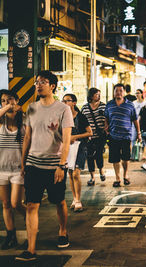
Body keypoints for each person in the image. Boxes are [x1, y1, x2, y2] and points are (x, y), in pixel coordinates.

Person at [17, 70, 73, 261]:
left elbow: (66, 141)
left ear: (53, 86)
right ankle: (31, 249)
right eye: (37, 82)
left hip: (54, 165)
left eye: (43, 82)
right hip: (33, 163)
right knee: (32, 204)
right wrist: (23, 163)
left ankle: (63, 231)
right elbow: (27, 137)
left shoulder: (63, 109)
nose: (39, 85)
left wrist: (61, 165)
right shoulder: (31, 108)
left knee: (59, 201)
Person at [0, 90, 26, 250]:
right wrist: (8, 106)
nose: (8, 104)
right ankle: (11, 235)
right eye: (3, 101)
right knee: (6, 204)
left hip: (18, 170)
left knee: (16, 203)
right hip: (1, 170)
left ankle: (30, 219)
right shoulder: (1, 124)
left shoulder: (23, 123)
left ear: (17, 101)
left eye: (10, 100)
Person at [105, 84, 141, 187]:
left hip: (126, 136)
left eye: (121, 91)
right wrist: (106, 128)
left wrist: (138, 133)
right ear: (114, 92)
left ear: (124, 92)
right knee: (115, 159)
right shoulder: (109, 104)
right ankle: (117, 178)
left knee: (125, 159)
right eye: (116, 91)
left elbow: (135, 120)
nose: (118, 93)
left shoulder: (130, 105)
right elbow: (106, 118)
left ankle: (125, 175)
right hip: (113, 136)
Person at [62, 94, 93, 212]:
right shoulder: (63, 117)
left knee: (76, 173)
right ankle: (74, 199)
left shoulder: (81, 117)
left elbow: (90, 133)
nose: (65, 103)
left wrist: (75, 136)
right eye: (63, 101)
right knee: (70, 173)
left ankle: (78, 200)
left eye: (67, 101)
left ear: (74, 103)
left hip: (80, 147)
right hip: (68, 148)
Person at [81, 88, 107, 186]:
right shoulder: (85, 108)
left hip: (100, 136)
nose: (99, 96)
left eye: (99, 94)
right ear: (91, 96)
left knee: (99, 154)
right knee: (90, 156)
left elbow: (107, 119)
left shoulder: (104, 106)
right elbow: (82, 122)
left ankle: (101, 171)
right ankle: (92, 177)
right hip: (89, 136)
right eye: (96, 94)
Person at [132, 89, 146, 159]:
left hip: (143, 123)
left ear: (141, 94)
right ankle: (133, 154)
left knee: (143, 139)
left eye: (138, 93)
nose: (137, 94)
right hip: (134, 122)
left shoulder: (144, 103)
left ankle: (142, 154)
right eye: (136, 93)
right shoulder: (133, 103)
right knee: (133, 138)